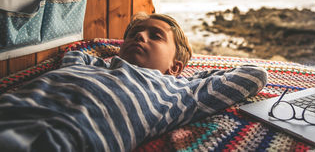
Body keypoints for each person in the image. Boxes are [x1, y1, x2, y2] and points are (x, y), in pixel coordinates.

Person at [0, 12, 268, 152]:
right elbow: (78, 51)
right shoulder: (88, 64)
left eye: (156, 36)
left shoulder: (177, 93)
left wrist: (190, 78)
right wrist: (114, 54)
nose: (139, 37)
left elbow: (253, 75)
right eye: (134, 34)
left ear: (175, 66)